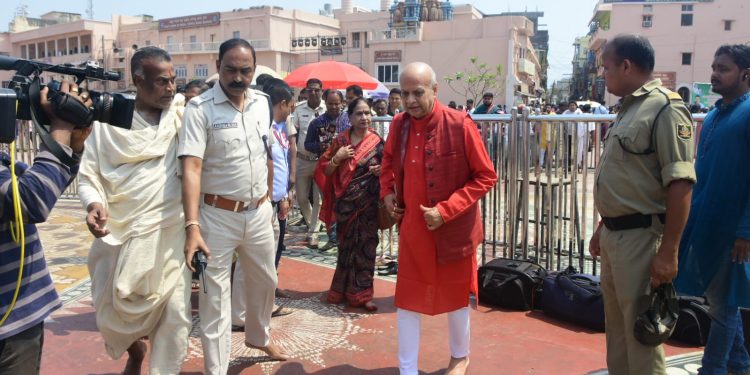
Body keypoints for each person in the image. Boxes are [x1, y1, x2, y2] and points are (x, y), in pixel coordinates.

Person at [79, 46, 191, 375]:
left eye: (173, 81)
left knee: (175, 319)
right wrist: (93, 204)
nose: (171, 88)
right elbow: (88, 177)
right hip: (120, 237)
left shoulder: (182, 117)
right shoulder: (106, 127)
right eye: (162, 82)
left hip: (170, 236)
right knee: (111, 316)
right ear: (138, 81)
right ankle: (134, 350)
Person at [179, 38, 288, 375]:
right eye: (231, 69)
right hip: (216, 217)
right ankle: (217, 369)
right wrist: (192, 226)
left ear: (253, 71)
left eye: (245, 71)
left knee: (266, 280)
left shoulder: (262, 103)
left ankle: (258, 335)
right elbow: (192, 169)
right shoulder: (200, 110)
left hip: (258, 214)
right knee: (215, 297)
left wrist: (274, 198)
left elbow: (265, 152)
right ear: (217, 66)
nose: (238, 78)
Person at [588, 34, 696, 375]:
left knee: (643, 334)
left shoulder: (666, 107)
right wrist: (603, 227)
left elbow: (679, 183)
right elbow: (629, 179)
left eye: (606, 67)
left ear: (626, 65)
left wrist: (669, 251)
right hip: (616, 236)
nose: (603, 75)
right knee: (617, 331)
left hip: (642, 239)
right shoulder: (629, 108)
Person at [380, 62, 497, 375]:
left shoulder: (460, 124)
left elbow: (486, 176)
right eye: (404, 94)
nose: (410, 100)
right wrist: (388, 194)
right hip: (414, 230)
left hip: (454, 229)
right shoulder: (399, 124)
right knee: (407, 299)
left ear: (434, 90)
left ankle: (460, 356)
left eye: (417, 92)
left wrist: (445, 211)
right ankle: (407, 368)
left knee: (457, 297)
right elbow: (388, 161)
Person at [0, 82, 90, 375]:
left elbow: (41, 185)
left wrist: (70, 145)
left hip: (16, 314)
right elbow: (32, 201)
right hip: (8, 322)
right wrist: (60, 127)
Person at [675, 44, 750, 375]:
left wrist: (745, 232)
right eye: (714, 67)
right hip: (705, 222)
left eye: (724, 68)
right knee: (721, 301)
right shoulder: (717, 114)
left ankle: (714, 368)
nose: (714, 74)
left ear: (746, 74)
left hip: (732, 230)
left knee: (723, 306)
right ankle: (740, 362)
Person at [232, 79, 297, 330]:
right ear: (282, 103)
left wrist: (284, 197)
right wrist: (269, 200)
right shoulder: (263, 129)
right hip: (262, 205)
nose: (292, 109)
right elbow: (262, 168)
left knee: (266, 264)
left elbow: (281, 168)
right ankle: (239, 314)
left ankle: (263, 308)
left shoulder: (279, 128)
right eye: (291, 105)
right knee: (248, 266)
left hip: (276, 203)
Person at [317, 98, 384, 312]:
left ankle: (363, 295)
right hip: (345, 205)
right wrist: (338, 157)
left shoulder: (377, 141)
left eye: (367, 113)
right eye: (359, 114)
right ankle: (341, 290)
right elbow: (325, 169)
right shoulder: (341, 141)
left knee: (366, 249)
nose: (364, 117)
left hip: (369, 206)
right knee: (346, 249)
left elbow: (391, 170)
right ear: (351, 117)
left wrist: (381, 171)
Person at [293, 78, 326, 247]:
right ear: (306, 91)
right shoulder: (299, 110)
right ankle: (313, 222)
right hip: (302, 160)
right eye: (310, 90)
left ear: (321, 91)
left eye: (316, 90)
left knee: (318, 199)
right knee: (302, 198)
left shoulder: (328, 108)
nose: (313, 93)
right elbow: (294, 134)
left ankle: (313, 232)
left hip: (321, 161)